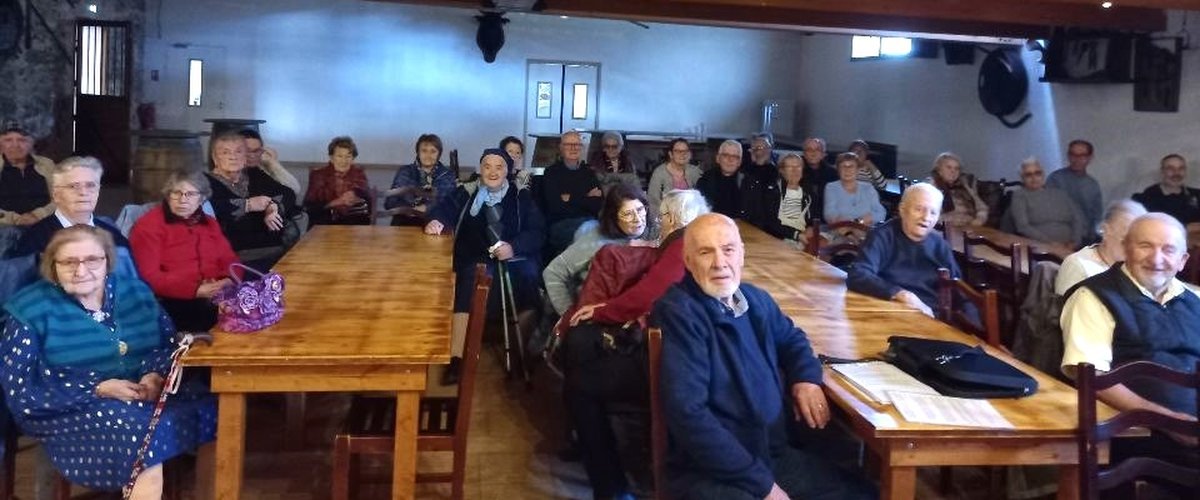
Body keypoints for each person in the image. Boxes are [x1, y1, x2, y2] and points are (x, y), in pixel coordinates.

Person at [653, 213, 875, 500]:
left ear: (742, 254)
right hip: (711, 469)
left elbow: (792, 339)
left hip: (771, 455)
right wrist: (763, 486)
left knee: (863, 493)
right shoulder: (679, 312)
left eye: (728, 249)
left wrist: (805, 378)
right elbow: (687, 413)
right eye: (706, 252)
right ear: (687, 261)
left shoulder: (755, 300)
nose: (720, 263)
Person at [0, 225, 216, 497]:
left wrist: (154, 375)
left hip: (144, 395)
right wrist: (98, 387)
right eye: (68, 262)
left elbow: (168, 344)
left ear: (107, 261)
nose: (81, 271)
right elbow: (20, 387)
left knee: (212, 408)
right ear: (52, 266)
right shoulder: (29, 309)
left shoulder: (135, 292)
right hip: (66, 404)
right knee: (138, 433)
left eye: (92, 260)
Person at [560, 189, 709, 500]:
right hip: (675, 346)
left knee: (578, 382)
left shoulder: (682, 243)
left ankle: (611, 485)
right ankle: (594, 449)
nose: (658, 223)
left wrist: (603, 310)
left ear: (673, 218)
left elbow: (650, 294)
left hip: (672, 358)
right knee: (580, 343)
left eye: (661, 217)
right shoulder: (690, 242)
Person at [1060, 213, 1200, 465]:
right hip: (1138, 432)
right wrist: (1168, 421)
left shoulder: (1194, 301)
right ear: (1125, 249)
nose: (1157, 259)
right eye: (1145, 246)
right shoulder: (1093, 297)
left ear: (1183, 260)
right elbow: (1092, 377)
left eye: (1168, 250)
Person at [425, 149, 544, 385]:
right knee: (472, 280)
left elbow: (538, 231)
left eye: (499, 167)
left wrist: (514, 247)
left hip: (514, 257)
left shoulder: (521, 196)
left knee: (530, 278)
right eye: (487, 166)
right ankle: (457, 358)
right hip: (476, 258)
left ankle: (522, 352)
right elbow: (441, 210)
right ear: (479, 170)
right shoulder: (466, 192)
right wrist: (436, 220)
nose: (492, 171)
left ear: (507, 171)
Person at [130, 170, 240, 332]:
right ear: (168, 195)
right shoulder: (148, 226)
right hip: (174, 301)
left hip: (216, 293)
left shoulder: (209, 223)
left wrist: (228, 279)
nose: (183, 199)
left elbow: (229, 258)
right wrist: (195, 290)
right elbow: (148, 276)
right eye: (177, 193)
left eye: (190, 194)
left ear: (202, 198)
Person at [847, 183, 964, 316]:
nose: (926, 217)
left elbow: (960, 291)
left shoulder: (940, 246)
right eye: (919, 209)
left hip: (931, 317)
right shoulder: (882, 236)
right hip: (890, 312)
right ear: (902, 209)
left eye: (933, 212)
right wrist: (900, 294)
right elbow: (858, 274)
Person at [8, 157, 134, 278]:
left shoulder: (114, 236)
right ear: (56, 195)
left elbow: (134, 284)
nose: (83, 192)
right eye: (73, 186)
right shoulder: (34, 240)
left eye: (90, 185)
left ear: (98, 191)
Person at [543, 183, 648, 317]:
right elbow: (553, 272)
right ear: (613, 217)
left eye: (640, 209)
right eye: (627, 214)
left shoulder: (652, 234)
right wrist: (568, 316)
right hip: (596, 318)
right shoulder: (596, 241)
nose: (638, 219)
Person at [204, 131, 298, 271]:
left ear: (244, 157)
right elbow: (205, 209)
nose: (233, 157)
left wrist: (272, 207)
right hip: (235, 257)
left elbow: (288, 193)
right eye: (225, 152)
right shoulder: (204, 182)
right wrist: (247, 205)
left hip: (276, 250)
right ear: (215, 158)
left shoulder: (255, 175)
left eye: (239, 152)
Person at [1056, 199, 1147, 295]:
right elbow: (1068, 308)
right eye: (1126, 240)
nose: (1133, 249)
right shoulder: (1078, 266)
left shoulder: (1142, 269)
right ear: (1105, 230)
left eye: (1142, 244)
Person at [541, 131, 603, 259]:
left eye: (577, 145)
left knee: (593, 231)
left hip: (589, 222)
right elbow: (555, 207)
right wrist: (586, 197)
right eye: (568, 144)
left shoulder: (589, 173)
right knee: (593, 232)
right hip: (559, 225)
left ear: (582, 147)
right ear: (561, 147)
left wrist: (570, 198)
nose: (573, 148)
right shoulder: (551, 173)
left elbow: (598, 204)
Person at [1008, 157, 1087, 248]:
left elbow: (1077, 219)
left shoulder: (1060, 193)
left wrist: (1075, 242)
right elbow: (1023, 226)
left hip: (1071, 247)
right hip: (1041, 247)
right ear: (1022, 178)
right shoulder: (1020, 195)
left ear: (1043, 175)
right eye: (1028, 175)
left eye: (1038, 173)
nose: (1034, 178)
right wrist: (1051, 244)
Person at [384, 133, 458, 227]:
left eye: (433, 151)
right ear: (418, 152)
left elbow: (443, 202)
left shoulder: (447, 175)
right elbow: (390, 202)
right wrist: (410, 209)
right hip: (405, 223)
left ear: (439, 154)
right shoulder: (405, 172)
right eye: (424, 151)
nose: (428, 155)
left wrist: (425, 207)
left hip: (436, 225)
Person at [303, 136, 371, 226]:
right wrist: (336, 202)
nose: (344, 161)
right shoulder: (318, 175)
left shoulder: (359, 174)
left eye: (348, 156)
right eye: (340, 156)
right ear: (331, 158)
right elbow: (308, 207)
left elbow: (368, 202)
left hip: (355, 225)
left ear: (353, 159)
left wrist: (355, 195)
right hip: (324, 225)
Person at [696, 140, 767, 221]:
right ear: (718, 159)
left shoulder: (751, 184)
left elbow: (757, 216)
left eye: (735, 157)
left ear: (739, 162)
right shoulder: (704, 181)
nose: (730, 160)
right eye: (726, 155)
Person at [1046, 140, 1104, 241]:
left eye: (1082, 155)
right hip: (1060, 237)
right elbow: (1049, 211)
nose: (1076, 159)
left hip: (1085, 239)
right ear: (1068, 156)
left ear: (1090, 158)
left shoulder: (1093, 185)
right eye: (1073, 155)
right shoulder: (1055, 179)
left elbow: (1097, 217)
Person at [0, 125, 55, 228]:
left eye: (22, 140)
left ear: (32, 143)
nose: (15, 145)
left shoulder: (47, 164)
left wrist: (37, 215)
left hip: (43, 224)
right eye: (8, 140)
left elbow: (61, 198)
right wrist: (14, 219)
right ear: (0, 143)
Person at [755, 153, 812, 242]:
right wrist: (796, 234)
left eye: (798, 167)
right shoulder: (772, 191)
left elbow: (814, 217)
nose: (795, 170)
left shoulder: (809, 193)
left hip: (804, 238)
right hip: (779, 239)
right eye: (790, 167)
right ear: (782, 170)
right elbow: (770, 222)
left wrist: (811, 227)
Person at [1133, 154, 1200, 226]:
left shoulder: (1197, 195)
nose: (1176, 173)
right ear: (1162, 172)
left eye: (1181, 168)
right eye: (1170, 169)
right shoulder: (1146, 198)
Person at [926, 152, 987, 227]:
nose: (953, 171)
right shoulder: (930, 188)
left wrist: (979, 220)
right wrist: (948, 221)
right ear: (939, 170)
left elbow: (982, 208)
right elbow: (927, 215)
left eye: (956, 168)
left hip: (971, 227)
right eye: (949, 167)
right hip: (945, 229)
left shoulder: (965, 186)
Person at [239, 128, 302, 199]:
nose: (252, 155)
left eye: (256, 151)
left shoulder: (259, 170)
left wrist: (272, 163)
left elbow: (293, 190)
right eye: (247, 150)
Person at [823, 152, 885, 225]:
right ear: (838, 170)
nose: (847, 170)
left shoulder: (868, 188)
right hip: (840, 230)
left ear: (858, 170)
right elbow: (829, 214)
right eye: (843, 166)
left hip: (866, 230)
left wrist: (863, 221)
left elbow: (881, 213)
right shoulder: (831, 187)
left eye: (851, 166)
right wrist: (848, 224)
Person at [646, 138, 702, 215]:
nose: (682, 154)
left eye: (686, 151)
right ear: (670, 154)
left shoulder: (695, 171)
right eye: (678, 151)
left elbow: (702, 198)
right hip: (666, 219)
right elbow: (653, 202)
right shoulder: (659, 172)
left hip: (692, 217)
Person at [799, 137, 838, 222]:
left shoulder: (833, 174)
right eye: (809, 149)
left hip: (827, 221)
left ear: (823, 154)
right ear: (804, 153)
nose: (813, 153)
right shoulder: (796, 171)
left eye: (817, 149)